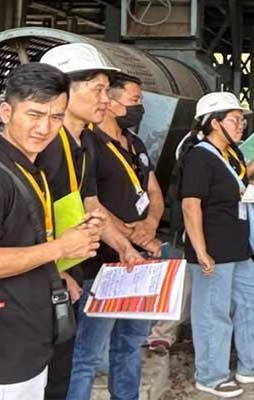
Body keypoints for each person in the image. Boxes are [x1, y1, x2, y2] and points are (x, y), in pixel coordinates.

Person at [0, 62, 103, 399]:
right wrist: (60, 248)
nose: (45, 127)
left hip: (25, 344)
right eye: (34, 114)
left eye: (56, 117)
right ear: (5, 111)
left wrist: (56, 274)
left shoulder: (32, 170)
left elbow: (26, 241)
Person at [38, 43, 146, 399]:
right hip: (47, 277)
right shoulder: (43, 146)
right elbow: (28, 217)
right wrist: (55, 271)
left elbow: (91, 205)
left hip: (73, 270)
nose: (106, 99)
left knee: (71, 359)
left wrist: (124, 247)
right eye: (97, 90)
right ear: (63, 91)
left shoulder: (83, 142)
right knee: (64, 365)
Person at [66, 72, 165, 400]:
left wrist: (150, 223)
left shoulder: (134, 142)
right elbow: (89, 204)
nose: (140, 107)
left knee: (130, 344)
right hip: (102, 265)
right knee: (87, 354)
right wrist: (129, 236)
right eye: (134, 101)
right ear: (111, 104)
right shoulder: (88, 144)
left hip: (138, 261)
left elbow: (152, 189)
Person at [181, 92, 254, 398]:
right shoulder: (199, 155)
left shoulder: (231, 154)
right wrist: (200, 250)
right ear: (214, 123)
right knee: (213, 312)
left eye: (242, 120)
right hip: (212, 248)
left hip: (238, 246)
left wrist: (250, 183)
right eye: (235, 120)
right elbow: (190, 205)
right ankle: (210, 376)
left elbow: (234, 181)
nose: (241, 126)